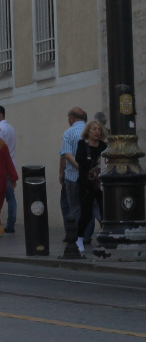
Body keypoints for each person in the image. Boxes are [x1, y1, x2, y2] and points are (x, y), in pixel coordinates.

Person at [73, 119, 107, 251]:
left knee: (104, 212)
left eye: (99, 129)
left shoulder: (103, 146)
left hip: (100, 184)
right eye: (94, 129)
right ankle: (79, 238)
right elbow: (79, 159)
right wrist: (94, 161)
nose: (97, 131)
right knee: (86, 213)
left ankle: (105, 237)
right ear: (88, 131)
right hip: (86, 184)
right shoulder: (82, 144)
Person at [0, 105, 18, 233]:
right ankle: (11, 223)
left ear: (1, 114)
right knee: (10, 197)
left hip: (2, 167)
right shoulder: (11, 128)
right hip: (11, 165)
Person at [58, 107, 87, 226]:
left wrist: (61, 173)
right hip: (90, 177)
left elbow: (65, 156)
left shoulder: (68, 133)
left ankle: (73, 235)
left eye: (68, 118)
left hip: (72, 176)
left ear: (72, 118)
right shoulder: (92, 131)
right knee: (89, 206)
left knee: (72, 207)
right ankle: (86, 236)